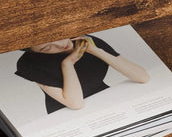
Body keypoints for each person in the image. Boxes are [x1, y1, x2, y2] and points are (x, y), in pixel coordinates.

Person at [13, 35, 149, 113]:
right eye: (47, 48)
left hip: (105, 99)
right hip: (65, 112)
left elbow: (142, 77)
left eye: (58, 36)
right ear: (37, 53)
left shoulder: (85, 40)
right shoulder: (30, 63)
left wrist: (95, 50)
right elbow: (75, 104)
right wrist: (68, 63)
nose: (60, 44)